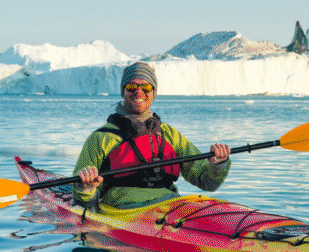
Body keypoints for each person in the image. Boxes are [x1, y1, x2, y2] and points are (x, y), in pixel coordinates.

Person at [73, 62, 231, 209]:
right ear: (123, 92)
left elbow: (208, 183)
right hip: (124, 210)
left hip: (170, 205)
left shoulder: (170, 134)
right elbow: (84, 202)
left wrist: (219, 164)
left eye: (146, 87)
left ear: (153, 92)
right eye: (131, 86)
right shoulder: (100, 138)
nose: (138, 92)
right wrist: (85, 187)